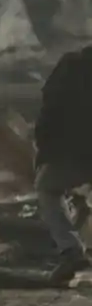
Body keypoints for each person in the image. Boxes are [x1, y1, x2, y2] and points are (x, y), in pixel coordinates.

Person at [34, 45, 92, 282]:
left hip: (71, 152)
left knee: (47, 188)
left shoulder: (70, 66)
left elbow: (49, 111)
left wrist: (44, 150)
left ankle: (71, 250)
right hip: (76, 151)